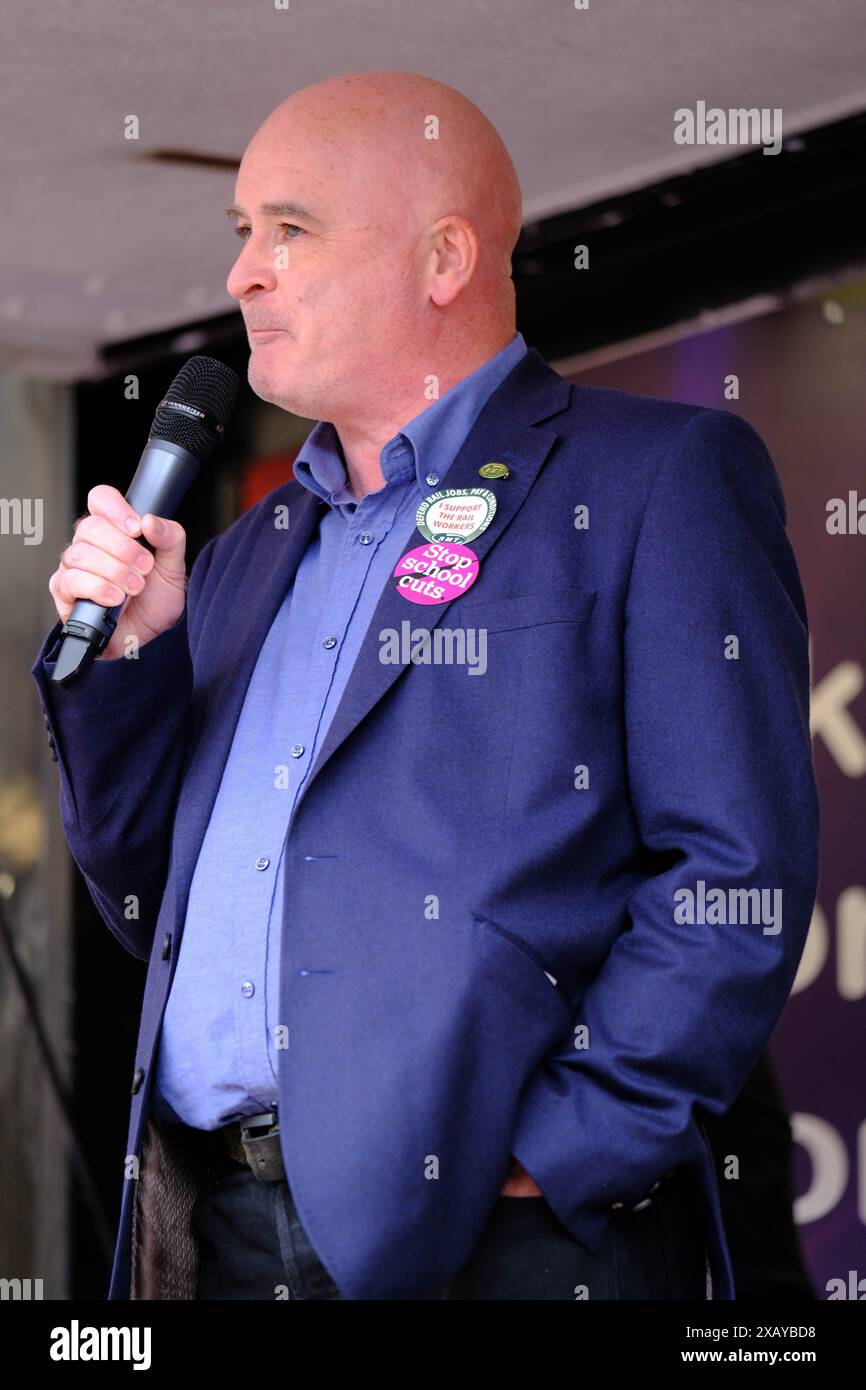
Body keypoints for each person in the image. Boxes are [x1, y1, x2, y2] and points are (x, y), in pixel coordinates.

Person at [32, 70, 819, 1301]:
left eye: (288, 229)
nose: (244, 272)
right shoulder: (247, 550)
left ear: (443, 257)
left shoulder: (652, 477)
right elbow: (152, 907)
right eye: (240, 234)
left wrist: (570, 1145)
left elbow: (732, 866)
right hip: (211, 1224)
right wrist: (129, 663)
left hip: (495, 1230)